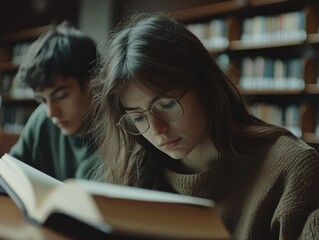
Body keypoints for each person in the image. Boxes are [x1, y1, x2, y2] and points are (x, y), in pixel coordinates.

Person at [90, 12, 319, 239]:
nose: (156, 129)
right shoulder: (137, 170)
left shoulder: (292, 169)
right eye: (138, 118)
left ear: (205, 86)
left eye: (167, 104)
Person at [8, 21, 98, 180]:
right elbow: (10, 174)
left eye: (61, 95)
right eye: (42, 99)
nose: (51, 112)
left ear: (94, 83)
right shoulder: (42, 118)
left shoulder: (119, 132)